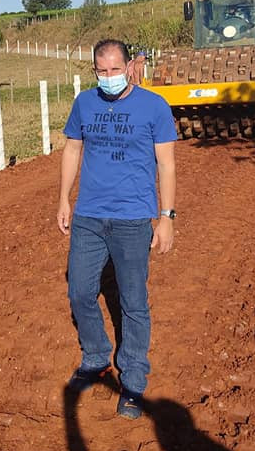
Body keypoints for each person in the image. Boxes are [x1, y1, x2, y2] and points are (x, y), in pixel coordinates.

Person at [57, 39, 176, 420]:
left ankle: (134, 379)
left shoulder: (154, 106)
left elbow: (167, 164)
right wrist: (64, 199)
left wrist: (167, 216)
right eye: (100, 71)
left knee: (133, 301)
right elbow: (73, 149)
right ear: (94, 70)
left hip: (132, 218)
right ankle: (95, 358)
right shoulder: (84, 104)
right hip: (89, 216)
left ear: (130, 67)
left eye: (114, 70)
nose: (108, 77)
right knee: (80, 292)